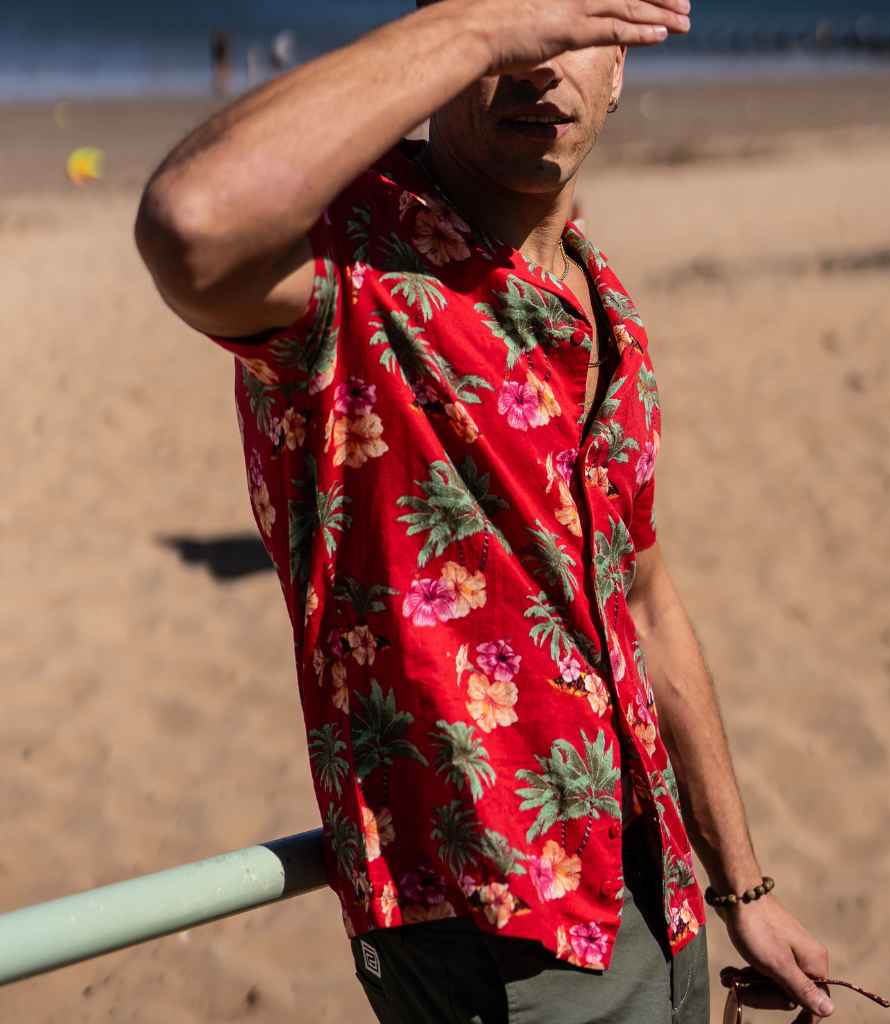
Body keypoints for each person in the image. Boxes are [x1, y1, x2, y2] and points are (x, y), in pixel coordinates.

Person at [134, 2, 835, 1021]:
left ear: (623, 64)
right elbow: (191, 224)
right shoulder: (347, 260)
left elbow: (641, 600)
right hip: (493, 934)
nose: (540, 62)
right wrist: (473, 29)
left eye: (578, 21)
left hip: (663, 893)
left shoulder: (607, 303)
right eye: (514, 22)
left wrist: (743, 889)